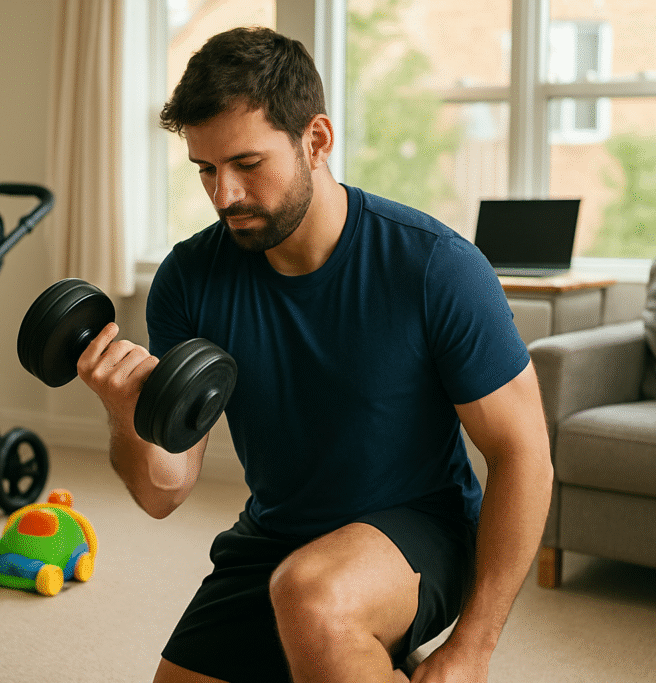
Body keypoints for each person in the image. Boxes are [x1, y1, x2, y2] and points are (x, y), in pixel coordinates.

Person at [76, 26, 554, 683]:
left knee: (314, 596)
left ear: (317, 140)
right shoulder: (188, 278)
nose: (224, 196)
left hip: (421, 526)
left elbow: (523, 451)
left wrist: (470, 650)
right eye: (206, 170)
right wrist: (126, 411)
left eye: (247, 164)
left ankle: (354, 636)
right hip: (273, 536)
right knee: (301, 593)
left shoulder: (435, 267)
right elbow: (165, 491)